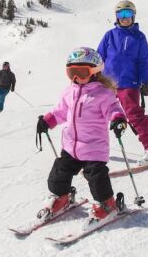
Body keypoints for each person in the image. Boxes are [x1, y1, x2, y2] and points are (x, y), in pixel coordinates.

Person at [36, 47, 128, 222]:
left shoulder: (102, 93)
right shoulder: (68, 92)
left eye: (81, 73)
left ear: (94, 72)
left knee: (96, 177)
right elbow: (59, 112)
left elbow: (113, 109)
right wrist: (47, 121)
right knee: (59, 172)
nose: (76, 78)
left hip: (94, 148)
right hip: (71, 147)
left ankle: (107, 204)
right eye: (72, 73)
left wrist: (118, 119)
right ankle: (61, 197)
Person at [97, 0, 148, 166]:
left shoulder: (139, 37)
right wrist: (95, 76)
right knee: (99, 114)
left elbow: (143, 61)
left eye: (128, 14)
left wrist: (144, 82)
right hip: (107, 83)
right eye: (121, 14)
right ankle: (95, 149)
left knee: (134, 115)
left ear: (133, 15)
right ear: (116, 16)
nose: (124, 18)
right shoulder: (109, 35)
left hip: (129, 83)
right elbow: (99, 58)